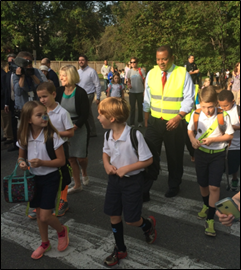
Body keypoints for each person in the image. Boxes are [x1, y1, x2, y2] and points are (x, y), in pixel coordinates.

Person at [98, 97, 156, 266]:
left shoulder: (134, 135)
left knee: (131, 219)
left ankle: (147, 225)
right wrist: (107, 165)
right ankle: (120, 249)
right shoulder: (108, 134)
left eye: (100, 114)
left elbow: (148, 160)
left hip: (132, 182)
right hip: (114, 181)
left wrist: (126, 169)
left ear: (111, 118)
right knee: (114, 215)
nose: (97, 118)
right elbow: (105, 152)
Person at [17, 100, 69, 259]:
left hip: (50, 178)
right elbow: (20, 156)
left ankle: (61, 231)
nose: (44, 117)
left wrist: (42, 163)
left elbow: (61, 161)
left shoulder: (52, 136)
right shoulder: (25, 136)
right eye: (39, 115)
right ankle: (45, 243)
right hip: (34, 178)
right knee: (39, 213)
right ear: (29, 120)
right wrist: (22, 163)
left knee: (45, 215)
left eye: (45, 114)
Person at [143, 45, 195, 199]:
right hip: (154, 121)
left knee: (174, 157)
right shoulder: (151, 73)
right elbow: (147, 97)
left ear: (172, 58)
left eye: (164, 59)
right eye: (158, 59)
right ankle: (145, 189)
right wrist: (146, 116)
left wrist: (179, 117)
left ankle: (174, 185)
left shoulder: (182, 73)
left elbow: (189, 98)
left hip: (174, 122)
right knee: (148, 155)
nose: (161, 62)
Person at [188, 86, 234, 237]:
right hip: (201, 154)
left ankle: (210, 219)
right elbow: (190, 130)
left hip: (218, 155)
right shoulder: (196, 114)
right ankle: (206, 204)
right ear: (200, 103)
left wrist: (213, 139)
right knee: (203, 184)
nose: (207, 111)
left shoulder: (223, 115)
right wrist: (193, 140)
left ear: (216, 103)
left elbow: (229, 136)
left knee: (214, 187)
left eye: (210, 107)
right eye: (204, 106)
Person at [25, 82, 74, 219]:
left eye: (44, 96)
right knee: (44, 174)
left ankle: (63, 200)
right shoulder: (42, 111)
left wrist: (54, 133)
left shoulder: (63, 112)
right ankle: (40, 205)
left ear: (53, 94)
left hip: (58, 146)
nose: (42, 100)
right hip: (44, 146)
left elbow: (70, 133)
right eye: (39, 97)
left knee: (62, 174)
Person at [56, 65, 90, 193]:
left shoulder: (81, 92)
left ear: (70, 76)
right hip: (64, 127)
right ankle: (77, 184)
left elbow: (85, 114)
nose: (61, 78)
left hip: (79, 128)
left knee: (81, 157)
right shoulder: (59, 91)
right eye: (60, 75)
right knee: (70, 158)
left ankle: (84, 171)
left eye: (63, 75)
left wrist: (74, 127)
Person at [218, 90, 240, 191]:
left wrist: (235, 127)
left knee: (233, 165)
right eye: (221, 105)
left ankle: (234, 178)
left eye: (226, 105)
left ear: (233, 101)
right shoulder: (218, 110)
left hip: (236, 145)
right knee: (220, 166)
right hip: (221, 145)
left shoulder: (238, 110)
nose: (223, 108)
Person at [77, 54, 101, 137]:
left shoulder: (91, 71)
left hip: (88, 94)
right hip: (79, 95)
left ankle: (91, 131)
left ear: (86, 61)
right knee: (86, 112)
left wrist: (98, 97)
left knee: (86, 112)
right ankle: (87, 129)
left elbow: (97, 84)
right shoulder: (78, 72)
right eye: (79, 60)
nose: (81, 61)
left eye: (82, 60)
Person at [4, 54, 18, 151]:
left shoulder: (20, 73)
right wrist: (6, 103)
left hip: (20, 102)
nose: (11, 63)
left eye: (12, 61)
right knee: (13, 123)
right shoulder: (8, 74)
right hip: (11, 102)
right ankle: (15, 143)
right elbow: (6, 90)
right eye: (9, 62)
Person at [127, 57, 146, 128]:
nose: (132, 63)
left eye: (134, 62)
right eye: (131, 62)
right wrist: (129, 85)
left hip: (140, 92)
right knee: (132, 108)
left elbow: (144, 82)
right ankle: (132, 123)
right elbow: (128, 81)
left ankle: (140, 122)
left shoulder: (141, 70)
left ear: (137, 63)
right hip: (132, 92)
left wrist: (145, 91)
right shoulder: (129, 71)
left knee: (140, 107)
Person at [1, 65, 14, 146]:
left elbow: (5, 89)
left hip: (2, 101)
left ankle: (9, 136)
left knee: (6, 120)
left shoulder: (2, 75)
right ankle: (5, 134)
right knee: (3, 120)